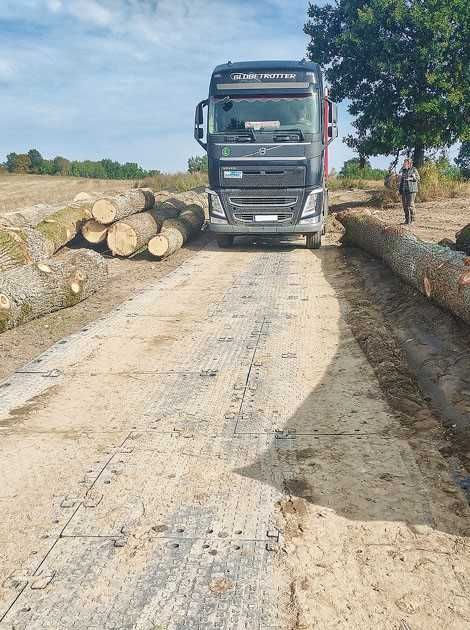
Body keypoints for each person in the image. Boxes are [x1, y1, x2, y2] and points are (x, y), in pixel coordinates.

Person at [398, 158, 420, 224]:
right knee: (405, 205)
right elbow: (401, 180)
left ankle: (413, 220)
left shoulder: (414, 169)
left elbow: (418, 178)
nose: (404, 164)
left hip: (412, 190)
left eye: (405, 163)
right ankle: (407, 220)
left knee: (410, 205)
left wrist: (411, 178)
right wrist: (399, 189)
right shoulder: (403, 170)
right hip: (404, 190)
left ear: (410, 164)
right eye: (404, 163)